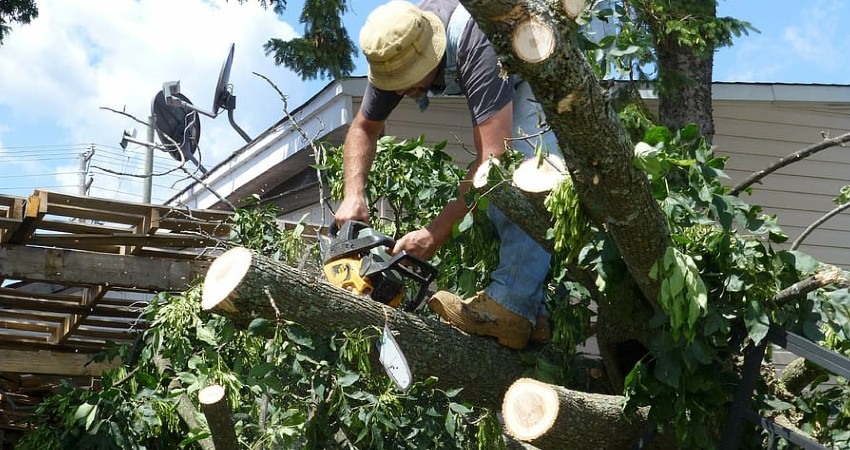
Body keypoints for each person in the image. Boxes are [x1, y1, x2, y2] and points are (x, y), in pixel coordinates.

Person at [334, 0, 558, 350]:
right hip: (506, 73)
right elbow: (364, 127)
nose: (402, 91)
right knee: (497, 186)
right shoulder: (394, 47)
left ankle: (513, 305)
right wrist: (353, 194)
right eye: (395, 83)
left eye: (407, 82)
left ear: (432, 53)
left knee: (522, 172)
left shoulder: (475, 40)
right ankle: (535, 313)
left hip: (539, 61)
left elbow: (492, 161)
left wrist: (433, 233)